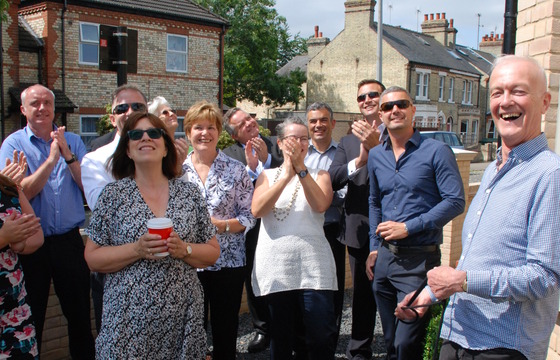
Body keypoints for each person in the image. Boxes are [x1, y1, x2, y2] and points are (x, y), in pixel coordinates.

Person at [396, 55, 560, 360]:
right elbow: (484, 259)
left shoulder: (550, 175)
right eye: (497, 92)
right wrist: (428, 295)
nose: (506, 101)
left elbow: (544, 276)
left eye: (518, 91)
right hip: (459, 334)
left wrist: (462, 280)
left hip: (503, 347)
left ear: (545, 102)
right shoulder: (492, 170)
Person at [84, 112, 220, 358]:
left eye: (154, 133)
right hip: (127, 324)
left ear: (166, 148)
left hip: (182, 322)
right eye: (136, 134)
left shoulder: (189, 193)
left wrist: (184, 249)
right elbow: (92, 258)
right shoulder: (113, 196)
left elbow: (212, 253)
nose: (145, 138)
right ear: (127, 150)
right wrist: (136, 250)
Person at [366, 86, 465, 360]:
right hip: (385, 259)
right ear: (381, 115)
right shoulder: (376, 155)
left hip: (419, 261)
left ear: (413, 110)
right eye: (387, 107)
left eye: (401, 104)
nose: (394, 110)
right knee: (390, 342)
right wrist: (374, 249)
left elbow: (455, 201)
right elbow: (374, 201)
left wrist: (409, 227)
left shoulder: (436, 151)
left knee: (406, 343)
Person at [0, 84, 95, 358]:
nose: (42, 108)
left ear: (54, 108)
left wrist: (66, 154)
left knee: (79, 318)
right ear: (23, 110)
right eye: (34, 104)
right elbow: (18, 194)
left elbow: (86, 188)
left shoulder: (74, 142)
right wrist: (52, 159)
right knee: (32, 319)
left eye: (47, 103)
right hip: (30, 245)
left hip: (69, 241)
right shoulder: (13, 145)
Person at [251, 117, 338, 359]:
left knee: (320, 334)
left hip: (314, 264)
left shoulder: (320, 174)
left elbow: (320, 204)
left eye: (304, 138)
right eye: (293, 138)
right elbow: (257, 210)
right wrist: (286, 174)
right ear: (279, 143)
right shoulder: (266, 176)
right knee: (281, 336)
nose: (299, 142)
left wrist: (300, 171)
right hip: (277, 266)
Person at [181, 101, 256, 359]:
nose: (205, 133)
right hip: (187, 262)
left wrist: (220, 225)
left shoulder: (236, 170)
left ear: (219, 132)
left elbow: (249, 217)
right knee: (191, 330)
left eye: (211, 127)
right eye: (198, 127)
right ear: (188, 131)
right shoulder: (174, 171)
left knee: (225, 329)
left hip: (228, 262)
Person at [81, 84, 148, 332]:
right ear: (112, 118)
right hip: (115, 273)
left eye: (137, 106)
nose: (129, 111)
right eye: (122, 107)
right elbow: (106, 212)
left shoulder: (165, 155)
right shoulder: (95, 160)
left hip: (161, 271)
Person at [328, 79, 385, 360]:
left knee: (393, 292)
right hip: (361, 227)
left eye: (373, 94)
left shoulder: (398, 133)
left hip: (396, 228)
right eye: (361, 97)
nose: (367, 100)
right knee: (363, 294)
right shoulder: (348, 141)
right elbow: (334, 178)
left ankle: (398, 347)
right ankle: (360, 349)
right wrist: (362, 157)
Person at [222, 107, 283, 352]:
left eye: (249, 118)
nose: (248, 123)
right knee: (254, 278)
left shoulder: (277, 145)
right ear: (235, 136)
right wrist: (253, 167)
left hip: (280, 222)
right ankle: (262, 329)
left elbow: (287, 174)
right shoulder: (229, 155)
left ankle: (283, 326)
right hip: (249, 229)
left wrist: (267, 160)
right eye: (241, 124)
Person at [304, 102, 346, 340]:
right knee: (306, 285)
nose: (318, 125)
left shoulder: (342, 154)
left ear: (332, 123)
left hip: (331, 230)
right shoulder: (300, 152)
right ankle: (306, 340)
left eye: (323, 120)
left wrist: (318, 197)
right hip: (302, 229)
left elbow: (344, 195)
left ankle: (331, 338)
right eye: (313, 121)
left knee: (333, 285)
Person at [0, 151, 44, 359]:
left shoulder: (5, 185)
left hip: (15, 318)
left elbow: (36, 238)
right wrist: (3, 237)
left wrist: (18, 242)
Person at [147, 95, 189, 165]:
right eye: (165, 112)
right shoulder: (153, 149)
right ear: (155, 120)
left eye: (172, 111)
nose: (171, 114)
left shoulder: (183, 147)